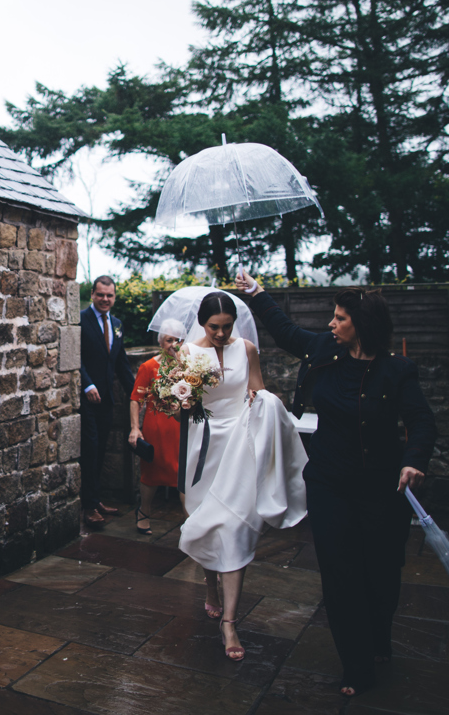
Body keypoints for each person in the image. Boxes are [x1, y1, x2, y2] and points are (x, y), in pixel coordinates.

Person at [235, 270, 436, 697]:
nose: (331, 323)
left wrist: (413, 462)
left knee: (381, 575)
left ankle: (379, 637)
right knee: (341, 576)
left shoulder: (396, 371)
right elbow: (286, 330)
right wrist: (256, 293)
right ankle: (357, 667)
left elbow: (421, 421)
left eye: (340, 317)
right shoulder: (323, 349)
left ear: (361, 325)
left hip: (382, 489)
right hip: (328, 485)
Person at [176, 290, 309, 662]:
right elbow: (183, 404)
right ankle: (210, 586)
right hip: (203, 448)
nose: (221, 334)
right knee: (205, 523)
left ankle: (230, 622)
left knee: (236, 527)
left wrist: (260, 399)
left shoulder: (247, 348)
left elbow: (259, 390)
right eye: (214, 327)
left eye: (227, 327)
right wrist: (182, 399)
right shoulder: (188, 353)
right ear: (202, 324)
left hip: (240, 446)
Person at [79, 276, 136, 527]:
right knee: (90, 449)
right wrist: (87, 384)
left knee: (101, 449)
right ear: (92, 294)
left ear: (114, 297)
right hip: (86, 398)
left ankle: (96, 498)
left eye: (109, 295)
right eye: (100, 294)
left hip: (107, 400)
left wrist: (138, 394)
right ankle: (88, 506)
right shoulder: (80, 320)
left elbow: (121, 364)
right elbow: (75, 356)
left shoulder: (117, 324)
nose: (105, 299)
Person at [127, 318, 187, 535]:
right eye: (169, 339)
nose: (173, 344)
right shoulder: (149, 366)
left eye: (178, 340)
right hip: (156, 428)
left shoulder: (189, 367)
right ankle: (144, 511)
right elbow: (136, 399)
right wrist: (135, 428)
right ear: (161, 342)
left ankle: (189, 524)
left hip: (182, 427)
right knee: (151, 474)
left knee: (184, 475)